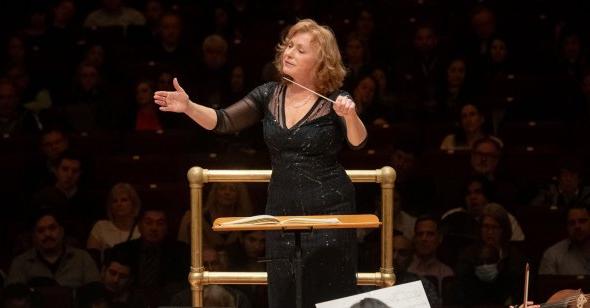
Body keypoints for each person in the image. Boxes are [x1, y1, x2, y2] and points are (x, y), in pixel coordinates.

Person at [154, 18, 367, 308]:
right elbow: (224, 121)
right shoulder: (268, 93)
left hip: (329, 210)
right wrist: (188, 107)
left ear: (321, 61)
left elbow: (358, 141)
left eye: (300, 50)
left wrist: (350, 116)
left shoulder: (336, 99)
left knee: (328, 297)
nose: (289, 52)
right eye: (289, 46)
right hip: (281, 207)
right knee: (284, 294)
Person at [6, 209, 100, 288]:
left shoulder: (82, 258)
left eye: (52, 228)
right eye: (41, 230)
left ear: (62, 231)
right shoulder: (20, 263)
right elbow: (11, 302)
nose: (47, 234)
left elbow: (96, 298)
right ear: (34, 237)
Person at [87, 183, 141, 256]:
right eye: (115, 201)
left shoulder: (142, 229)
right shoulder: (100, 227)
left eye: (124, 200)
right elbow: (90, 260)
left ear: (133, 204)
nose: (119, 204)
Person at [538, 204, 590, 275]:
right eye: (572, 223)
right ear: (567, 227)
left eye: (582, 221)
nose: (577, 226)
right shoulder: (552, 255)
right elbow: (547, 285)